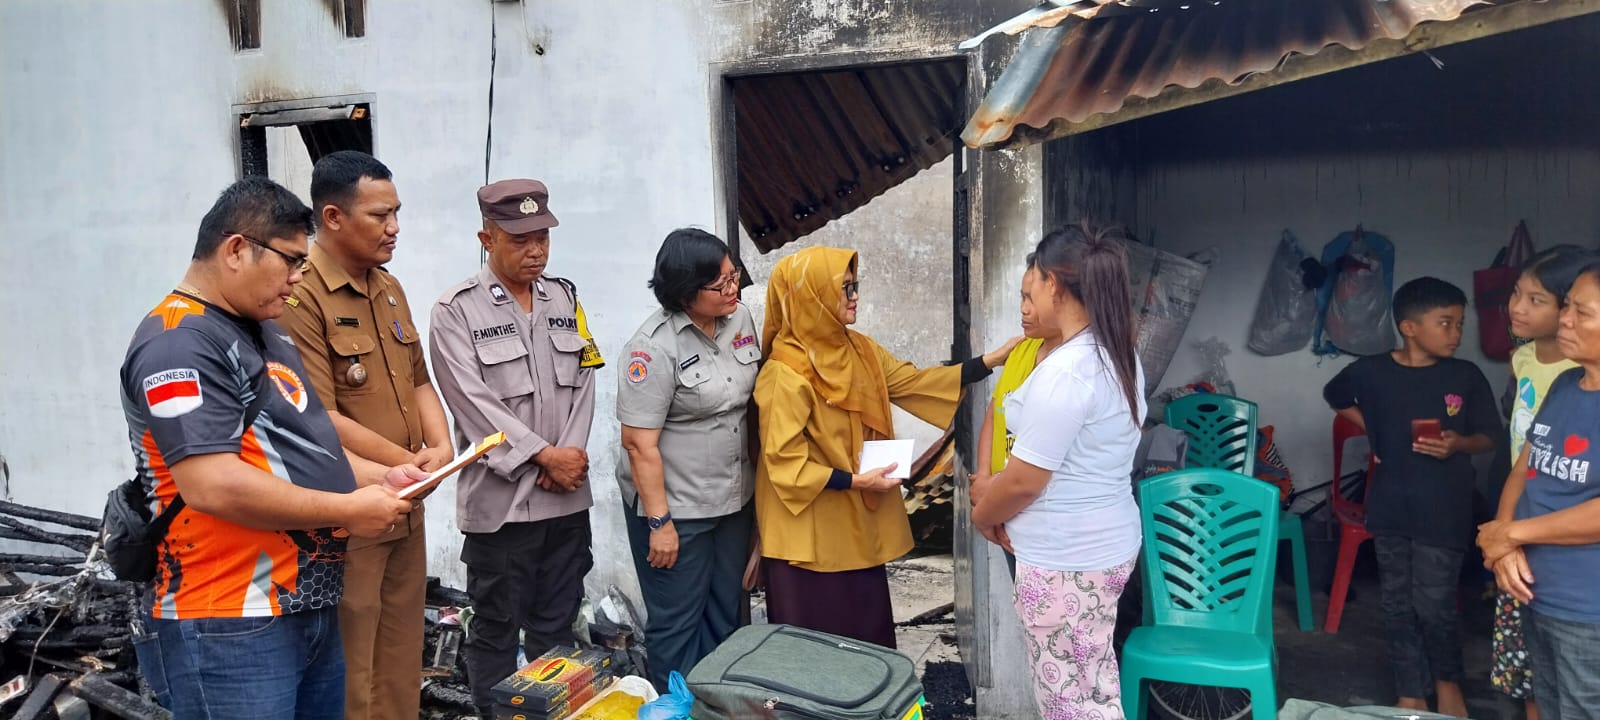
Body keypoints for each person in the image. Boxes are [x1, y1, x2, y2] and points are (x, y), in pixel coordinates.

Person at [121, 177, 420, 719]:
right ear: (236, 249)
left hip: (307, 601)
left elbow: (308, 446)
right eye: (290, 260)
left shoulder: (268, 332)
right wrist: (349, 510)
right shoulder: (178, 340)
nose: (299, 277)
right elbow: (210, 483)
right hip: (227, 617)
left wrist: (381, 478)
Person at [752, 245, 1017, 648]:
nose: (855, 296)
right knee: (814, 648)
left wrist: (989, 361)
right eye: (845, 288)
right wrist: (855, 480)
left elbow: (912, 383)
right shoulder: (783, 374)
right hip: (805, 530)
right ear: (813, 298)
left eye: (856, 286)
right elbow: (784, 463)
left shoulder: (859, 350)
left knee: (867, 632)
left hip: (854, 519)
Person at [278, 150, 453, 720]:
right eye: (380, 216)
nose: (395, 228)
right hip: (352, 507)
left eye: (396, 212)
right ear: (332, 217)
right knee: (354, 661)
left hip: (408, 500)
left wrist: (442, 448)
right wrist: (408, 463)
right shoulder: (300, 297)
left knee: (402, 652)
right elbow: (318, 418)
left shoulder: (389, 286)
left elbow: (420, 380)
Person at [429, 178, 602, 717]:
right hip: (500, 509)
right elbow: (471, 402)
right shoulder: (455, 311)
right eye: (520, 239)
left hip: (564, 500)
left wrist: (567, 456)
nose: (536, 251)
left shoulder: (566, 297)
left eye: (543, 238)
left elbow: (586, 380)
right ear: (487, 238)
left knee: (557, 626)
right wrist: (543, 456)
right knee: (497, 632)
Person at [970, 224, 1146, 718]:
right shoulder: (1117, 354)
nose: (1027, 299)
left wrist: (984, 513)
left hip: (1066, 561)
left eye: (1034, 286)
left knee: (1066, 700)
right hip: (1102, 547)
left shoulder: (1067, 371)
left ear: (1054, 284)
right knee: (1093, 683)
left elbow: (1026, 480)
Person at [1323, 276, 1498, 717]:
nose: (1456, 334)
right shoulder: (1372, 371)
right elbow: (1334, 395)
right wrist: (1375, 429)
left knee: (1435, 604)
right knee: (1397, 602)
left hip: (1445, 509)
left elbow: (1490, 436)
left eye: (1460, 324)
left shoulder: (1465, 375)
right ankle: (1410, 690)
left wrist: (1458, 444)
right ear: (1410, 327)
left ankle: (1448, 684)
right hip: (1390, 505)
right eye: (1446, 323)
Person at [616, 228, 758, 690]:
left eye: (734, 276)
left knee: (727, 611)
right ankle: (677, 708)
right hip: (678, 509)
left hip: (733, 498)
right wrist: (660, 524)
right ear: (684, 291)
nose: (732, 289)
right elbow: (639, 444)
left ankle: (722, 704)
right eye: (719, 285)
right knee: (677, 621)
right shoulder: (652, 348)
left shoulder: (741, 321)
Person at [1478, 260, 1600, 720]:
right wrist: (1506, 541)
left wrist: (1512, 535)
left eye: (1582, 313)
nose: (1564, 319)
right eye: (1566, 305)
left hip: (1589, 611)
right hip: (1537, 594)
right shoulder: (1567, 385)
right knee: (1550, 708)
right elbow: (1523, 470)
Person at [974, 254, 1070, 580]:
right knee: (1028, 608)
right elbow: (994, 413)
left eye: (1032, 298)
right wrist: (984, 477)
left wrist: (988, 505)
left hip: (1045, 513)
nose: (1024, 309)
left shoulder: (1074, 365)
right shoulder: (1021, 351)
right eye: (1021, 296)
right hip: (1005, 505)